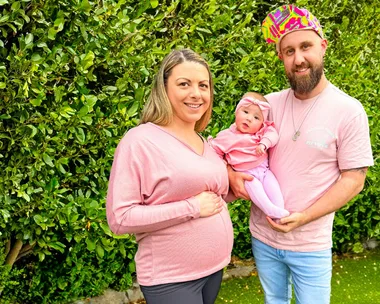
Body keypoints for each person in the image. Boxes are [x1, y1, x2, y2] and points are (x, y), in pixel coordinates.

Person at [228, 4, 373, 304]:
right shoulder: (266, 106)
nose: (299, 59)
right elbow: (233, 147)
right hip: (263, 237)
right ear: (281, 57)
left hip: (311, 242)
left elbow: (354, 179)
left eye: (305, 46)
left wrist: (304, 216)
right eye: (289, 51)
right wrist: (231, 175)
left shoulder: (348, 110)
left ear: (322, 46)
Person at [106, 49, 234, 304]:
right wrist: (192, 208)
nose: (196, 94)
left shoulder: (203, 142)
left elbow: (212, 197)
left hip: (214, 269)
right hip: (172, 277)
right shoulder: (141, 140)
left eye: (203, 85)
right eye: (184, 84)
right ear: (163, 89)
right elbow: (120, 219)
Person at [209, 92, 289, 219]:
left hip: (264, 171)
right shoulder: (226, 136)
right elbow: (213, 152)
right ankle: (270, 210)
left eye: (256, 118)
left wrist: (264, 144)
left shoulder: (260, 132)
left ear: (262, 123)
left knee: (274, 188)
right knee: (257, 190)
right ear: (236, 111)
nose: (249, 118)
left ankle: (280, 211)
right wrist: (224, 165)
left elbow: (272, 134)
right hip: (247, 175)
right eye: (245, 112)